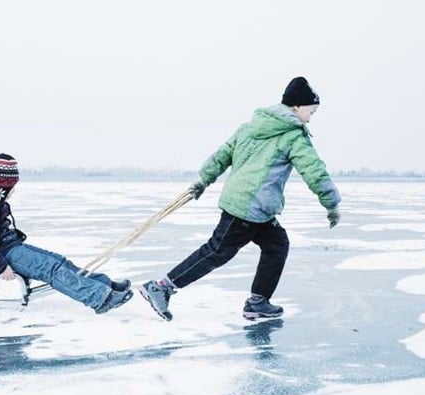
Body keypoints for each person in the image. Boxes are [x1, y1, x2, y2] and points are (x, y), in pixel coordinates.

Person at [140, 77, 340, 321]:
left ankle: (258, 302)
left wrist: (204, 179)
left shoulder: (249, 127)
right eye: (311, 111)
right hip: (246, 209)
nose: (311, 117)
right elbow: (314, 171)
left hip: (259, 209)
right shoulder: (293, 137)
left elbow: (222, 155)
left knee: (277, 245)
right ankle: (162, 287)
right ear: (297, 107)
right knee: (216, 251)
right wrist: (332, 204)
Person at [0, 153, 134, 314]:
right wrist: (0, 267)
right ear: (2, 183)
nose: (13, 191)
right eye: (11, 186)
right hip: (0, 253)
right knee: (50, 268)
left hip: (7, 245)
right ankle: (100, 299)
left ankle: (104, 285)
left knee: (60, 262)